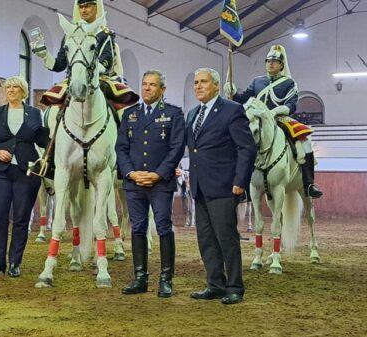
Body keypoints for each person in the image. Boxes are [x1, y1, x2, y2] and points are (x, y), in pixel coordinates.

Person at [187, 68, 257, 305]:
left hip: (224, 187)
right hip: (199, 186)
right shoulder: (193, 113)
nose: (198, 86)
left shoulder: (232, 110)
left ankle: (235, 286)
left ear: (216, 85)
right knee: (206, 239)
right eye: (196, 82)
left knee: (227, 239)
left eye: (203, 82)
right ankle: (215, 284)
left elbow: (246, 148)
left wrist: (240, 181)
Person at [116, 70, 185, 297]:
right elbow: (121, 148)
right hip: (134, 183)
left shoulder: (174, 114)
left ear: (162, 90)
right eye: (144, 84)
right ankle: (140, 278)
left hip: (161, 183)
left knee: (164, 227)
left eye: (152, 85)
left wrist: (158, 174)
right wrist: (130, 173)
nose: (146, 88)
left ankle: (166, 279)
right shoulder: (130, 114)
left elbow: (176, 148)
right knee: (137, 228)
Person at [225, 44, 322, 198]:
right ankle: (240, 181)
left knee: (305, 142)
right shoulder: (257, 82)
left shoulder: (289, 83)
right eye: (268, 61)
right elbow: (243, 99)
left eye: (275, 61)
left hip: (280, 118)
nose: (270, 63)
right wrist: (233, 92)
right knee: (238, 140)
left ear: (281, 65)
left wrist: (276, 111)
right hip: (258, 119)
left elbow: (291, 104)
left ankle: (309, 184)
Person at [0, 76, 49, 278]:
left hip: (26, 173)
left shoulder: (35, 114)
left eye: (15, 87)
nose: (10, 90)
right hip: (1, 172)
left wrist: (55, 124)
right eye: (8, 87)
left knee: (21, 218)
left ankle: (15, 263)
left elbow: (44, 141)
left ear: (23, 91)